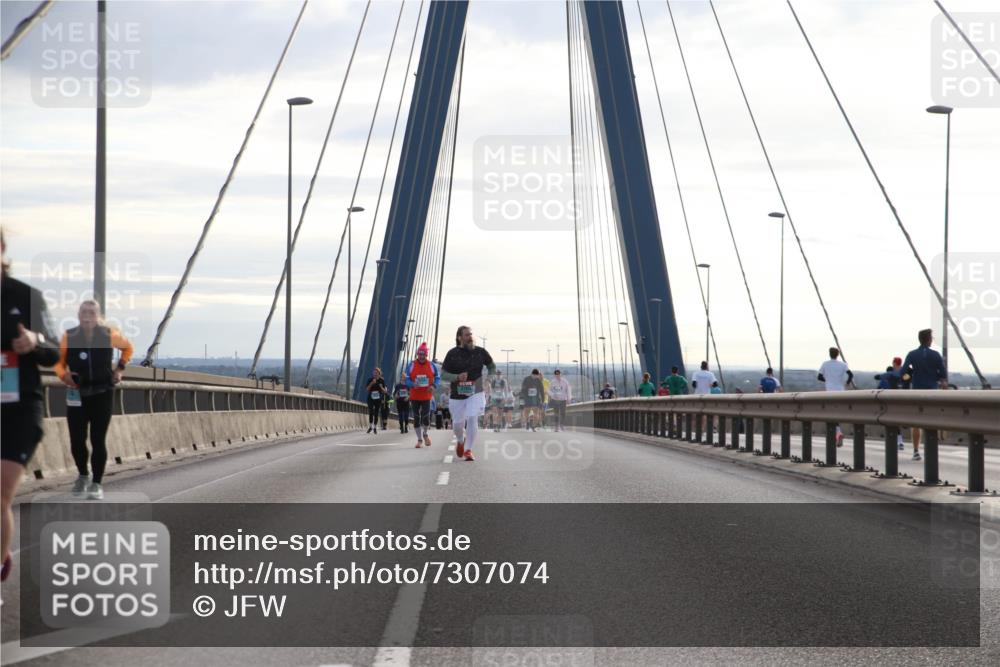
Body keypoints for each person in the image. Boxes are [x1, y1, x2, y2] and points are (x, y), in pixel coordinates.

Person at [1, 233, 60, 582]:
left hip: (18, 408)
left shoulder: (25, 296)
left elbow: (54, 351)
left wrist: (34, 341)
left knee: (0, 492)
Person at [53, 300, 133, 500]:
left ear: (98, 316)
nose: (87, 315)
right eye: (84, 312)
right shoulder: (69, 336)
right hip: (77, 394)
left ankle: (96, 483)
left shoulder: (108, 334)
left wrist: (120, 369)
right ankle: (83, 475)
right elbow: (58, 363)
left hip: (102, 392)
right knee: (77, 439)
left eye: (91, 312)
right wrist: (64, 376)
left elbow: (128, 348)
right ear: (78, 314)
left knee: (98, 439)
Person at [440, 326, 496, 461]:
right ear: (459, 337)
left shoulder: (480, 352)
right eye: (466, 335)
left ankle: (468, 450)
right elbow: (443, 374)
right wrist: (457, 377)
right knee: (457, 424)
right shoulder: (452, 353)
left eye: (471, 334)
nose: (470, 337)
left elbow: (492, 367)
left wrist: (489, 380)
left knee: (472, 417)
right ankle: (461, 440)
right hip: (457, 394)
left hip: (476, 391)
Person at [901, 329, 947, 461]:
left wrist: (911, 375)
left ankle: (916, 451)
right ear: (929, 340)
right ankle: (931, 450)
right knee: (931, 420)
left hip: (917, 391)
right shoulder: (935, 355)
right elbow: (943, 374)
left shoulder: (912, 354)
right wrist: (935, 376)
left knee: (916, 422)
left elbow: (903, 372)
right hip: (932, 391)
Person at [404, 342, 440, 448]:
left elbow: (437, 377)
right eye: (420, 354)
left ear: (426, 355)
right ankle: (419, 440)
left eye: (423, 354)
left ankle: (425, 434)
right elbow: (406, 378)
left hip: (426, 396)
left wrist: (433, 386)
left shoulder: (431, 365)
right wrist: (412, 384)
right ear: (417, 354)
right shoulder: (411, 365)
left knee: (425, 418)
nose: (421, 356)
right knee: (416, 418)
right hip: (414, 396)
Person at [817, 347, 853, 446]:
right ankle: (838, 433)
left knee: (831, 413)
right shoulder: (843, 364)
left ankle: (838, 433)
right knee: (836, 413)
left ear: (830, 354)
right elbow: (851, 375)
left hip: (830, 391)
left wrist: (828, 380)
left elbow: (819, 377)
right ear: (838, 355)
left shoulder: (825, 364)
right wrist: (847, 383)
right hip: (840, 392)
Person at [364, 368, 388, 434]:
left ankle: (375, 427)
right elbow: (367, 389)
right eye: (374, 372)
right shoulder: (370, 379)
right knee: (371, 411)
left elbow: (385, 391)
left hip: (378, 398)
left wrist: (381, 387)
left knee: (376, 412)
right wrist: (372, 383)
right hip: (370, 398)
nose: (375, 374)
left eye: (376, 373)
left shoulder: (382, 381)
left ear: (379, 374)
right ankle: (370, 426)